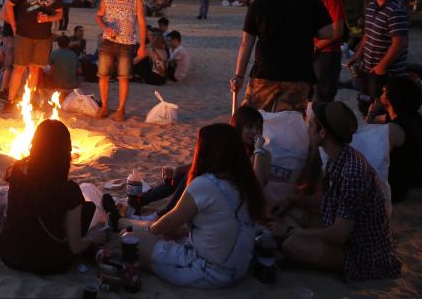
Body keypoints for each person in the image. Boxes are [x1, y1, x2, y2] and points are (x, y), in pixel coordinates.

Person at [269, 101, 401, 282]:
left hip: (361, 253)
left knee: (293, 244)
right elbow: (330, 198)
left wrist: (290, 231)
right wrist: (294, 200)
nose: (308, 128)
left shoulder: (352, 172)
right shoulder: (339, 156)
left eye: (312, 125)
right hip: (347, 236)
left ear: (322, 132)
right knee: (291, 212)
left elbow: (339, 234)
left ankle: (320, 264)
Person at [129, 124, 265, 288]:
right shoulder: (243, 180)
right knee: (172, 233)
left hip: (209, 271)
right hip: (238, 268)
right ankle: (124, 221)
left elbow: (166, 224)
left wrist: (149, 233)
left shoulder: (205, 184)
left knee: (128, 238)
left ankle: (122, 223)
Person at [0, 120, 107, 274]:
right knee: (88, 208)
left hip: (9, 254)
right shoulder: (68, 190)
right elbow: (75, 247)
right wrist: (91, 238)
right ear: (65, 151)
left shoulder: (18, 171)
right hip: (47, 262)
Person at [231, 0, 334, 113]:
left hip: (265, 73)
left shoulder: (259, 4)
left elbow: (246, 43)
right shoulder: (310, 0)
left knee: (256, 119)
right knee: (289, 123)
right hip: (298, 74)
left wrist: (239, 76)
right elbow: (328, 33)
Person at [135, 107, 270, 218]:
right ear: (238, 127)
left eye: (258, 128)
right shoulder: (232, 149)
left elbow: (256, 186)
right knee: (184, 175)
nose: (255, 132)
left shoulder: (262, 155)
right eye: (250, 127)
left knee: (191, 177)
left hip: (234, 201)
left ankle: (164, 214)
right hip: (219, 191)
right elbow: (205, 164)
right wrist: (177, 170)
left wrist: (258, 150)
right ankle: (140, 200)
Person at [345, 0, 410, 116]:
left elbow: (400, 43)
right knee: (364, 105)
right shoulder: (371, 6)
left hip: (386, 74)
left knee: (381, 111)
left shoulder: (395, 10)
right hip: (368, 69)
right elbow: (368, 35)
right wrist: (357, 55)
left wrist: (382, 66)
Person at [2, 0, 63, 112]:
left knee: (35, 70)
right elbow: (9, 5)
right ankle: (10, 101)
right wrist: (13, 24)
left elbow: (60, 13)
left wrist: (48, 19)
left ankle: (28, 100)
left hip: (43, 36)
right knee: (19, 68)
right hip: (23, 34)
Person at [95, 0, 147, 121]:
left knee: (123, 77)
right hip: (108, 41)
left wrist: (142, 45)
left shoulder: (136, 0)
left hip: (127, 43)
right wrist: (105, 28)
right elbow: (98, 16)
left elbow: (142, 24)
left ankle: (120, 109)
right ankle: (104, 106)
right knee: (103, 75)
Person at [301, 0, 346, 103]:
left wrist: (317, 46)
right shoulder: (310, 0)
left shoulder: (332, 0)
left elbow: (337, 31)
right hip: (311, 53)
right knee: (307, 94)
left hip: (327, 54)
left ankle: (321, 123)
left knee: (322, 95)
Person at [380, 77, 422, 203]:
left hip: (400, 189)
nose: (381, 94)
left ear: (390, 98)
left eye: (383, 92)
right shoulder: (414, 118)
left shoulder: (394, 129)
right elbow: (377, 119)